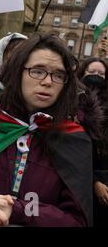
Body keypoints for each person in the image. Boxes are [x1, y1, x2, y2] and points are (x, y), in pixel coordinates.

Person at [0, 34, 93, 227]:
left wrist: (17, 210)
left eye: (59, 75)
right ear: (17, 72)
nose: (47, 81)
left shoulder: (74, 137)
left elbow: (76, 220)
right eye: (37, 71)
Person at [76, 57, 108, 227]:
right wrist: (94, 181)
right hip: (83, 175)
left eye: (101, 74)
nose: (96, 76)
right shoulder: (74, 102)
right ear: (82, 73)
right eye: (92, 72)